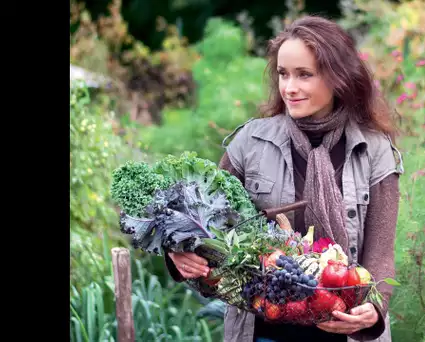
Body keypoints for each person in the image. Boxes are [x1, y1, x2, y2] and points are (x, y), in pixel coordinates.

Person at [163, 15, 403, 342]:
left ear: (337, 77)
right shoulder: (250, 142)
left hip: (344, 328)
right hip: (264, 329)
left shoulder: (373, 150)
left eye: (304, 75)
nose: (289, 87)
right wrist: (180, 252)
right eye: (283, 74)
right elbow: (203, 218)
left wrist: (373, 308)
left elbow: (381, 255)